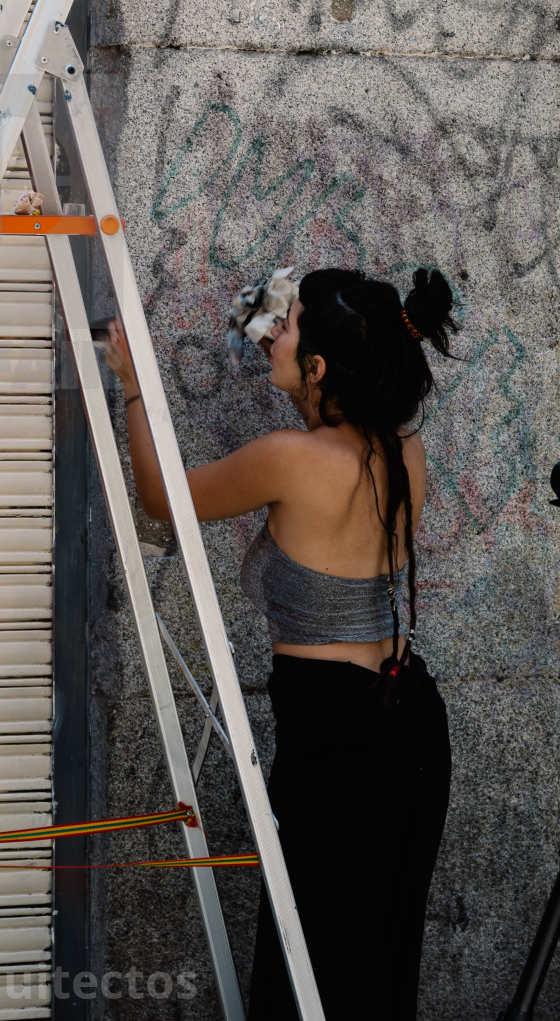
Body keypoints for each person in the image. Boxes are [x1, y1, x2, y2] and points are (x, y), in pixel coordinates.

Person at [105, 267, 455, 1020]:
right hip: (407, 725)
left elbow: (163, 497)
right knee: (373, 966)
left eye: (287, 326)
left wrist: (134, 383)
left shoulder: (293, 459)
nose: (272, 333)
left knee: (311, 974)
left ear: (321, 368)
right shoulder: (405, 449)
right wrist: (277, 323)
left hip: (339, 744)